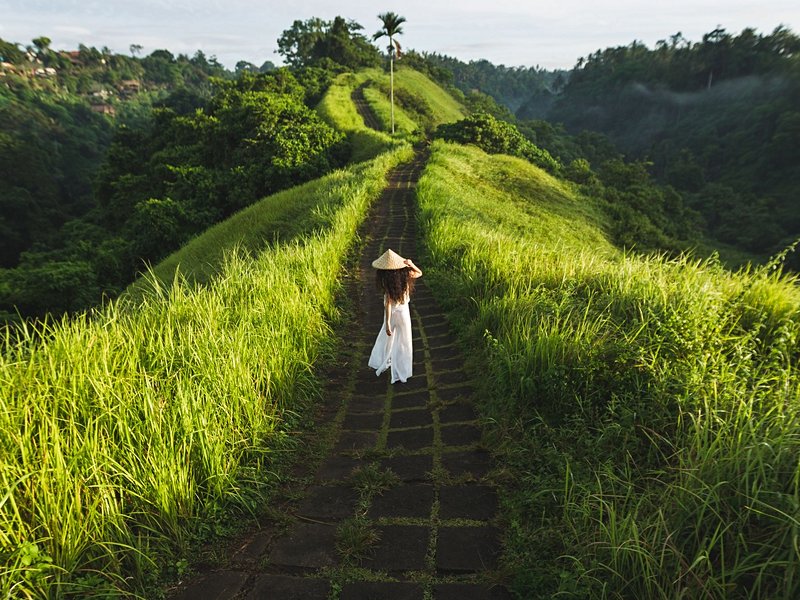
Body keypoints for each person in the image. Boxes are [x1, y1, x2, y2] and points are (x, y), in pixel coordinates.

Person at [368, 248, 423, 383]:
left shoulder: (387, 282)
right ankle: (402, 369)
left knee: (386, 338)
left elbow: (388, 304)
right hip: (403, 313)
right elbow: (419, 273)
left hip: (391, 314)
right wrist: (411, 264)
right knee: (405, 341)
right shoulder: (406, 276)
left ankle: (382, 360)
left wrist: (387, 323)